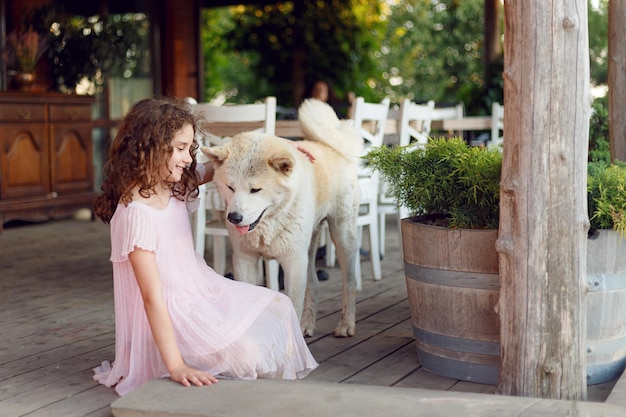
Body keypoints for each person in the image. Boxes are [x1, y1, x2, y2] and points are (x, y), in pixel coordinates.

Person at [92, 97, 318, 396]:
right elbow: (151, 299)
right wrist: (176, 367)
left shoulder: (173, 185)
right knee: (250, 355)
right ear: (151, 147)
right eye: (182, 148)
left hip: (202, 293)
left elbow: (223, 167)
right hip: (176, 315)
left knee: (279, 307)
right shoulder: (136, 213)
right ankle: (181, 355)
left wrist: (287, 151)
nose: (188, 158)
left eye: (189, 148)